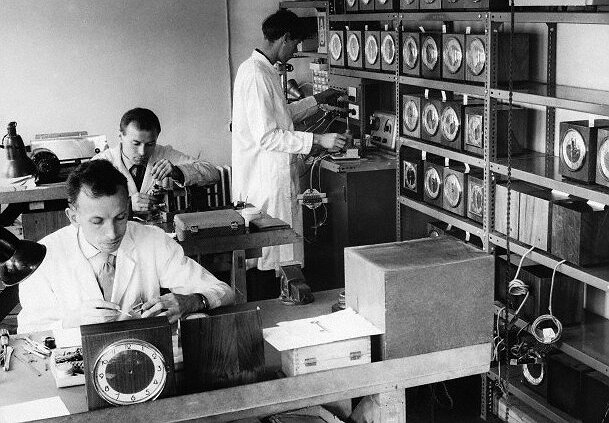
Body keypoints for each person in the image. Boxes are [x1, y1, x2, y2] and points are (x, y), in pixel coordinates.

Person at [17, 160, 234, 333]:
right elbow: (28, 330)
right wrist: (72, 322)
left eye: (120, 217)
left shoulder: (152, 240)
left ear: (128, 207)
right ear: (74, 217)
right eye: (97, 221)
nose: (112, 233)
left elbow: (223, 291)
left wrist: (193, 301)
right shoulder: (45, 255)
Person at [232, 9, 346, 273]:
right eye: (295, 44)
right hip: (266, 181)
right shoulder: (257, 75)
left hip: (270, 177)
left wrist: (318, 100)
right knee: (274, 259)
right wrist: (319, 139)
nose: (295, 51)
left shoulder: (261, 70)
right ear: (285, 38)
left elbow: (281, 115)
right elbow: (268, 136)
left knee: (279, 255)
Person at [94, 107, 220, 213]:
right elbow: (85, 203)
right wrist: (127, 205)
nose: (142, 152)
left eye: (150, 144)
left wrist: (178, 172)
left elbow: (213, 173)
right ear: (121, 136)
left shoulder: (164, 153)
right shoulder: (103, 162)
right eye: (136, 143)